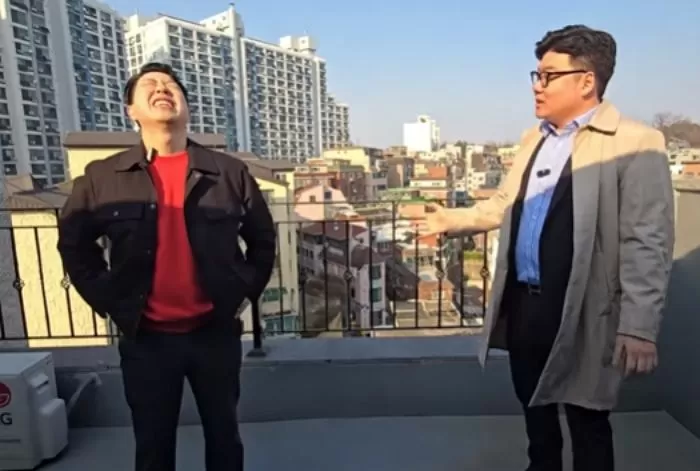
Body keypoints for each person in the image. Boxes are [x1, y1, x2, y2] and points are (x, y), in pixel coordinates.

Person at [425, 25, 674, 471]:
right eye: (536, 75)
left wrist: (639, 326)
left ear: (586, 81)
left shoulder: (635, 143)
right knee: (535, 412)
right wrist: (450, 220)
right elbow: (504, 203)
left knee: (587, 419)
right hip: (526, 303)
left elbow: (646, 239)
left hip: (584, 307)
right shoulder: (533, 140)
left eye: (549, 76)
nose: (537, 86)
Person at [57, 62, 277, 471]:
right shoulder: (104, 176)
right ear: (131, 111)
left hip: (214, 334)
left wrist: (243, 291)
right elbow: (74, 244)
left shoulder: (228, 172)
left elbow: (263, 238)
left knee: (225, 438)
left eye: (170, 84)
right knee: (153, 445)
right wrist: (110, 299)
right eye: (150, 84)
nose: (162, 88)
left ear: (186, 106)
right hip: (147, 339)